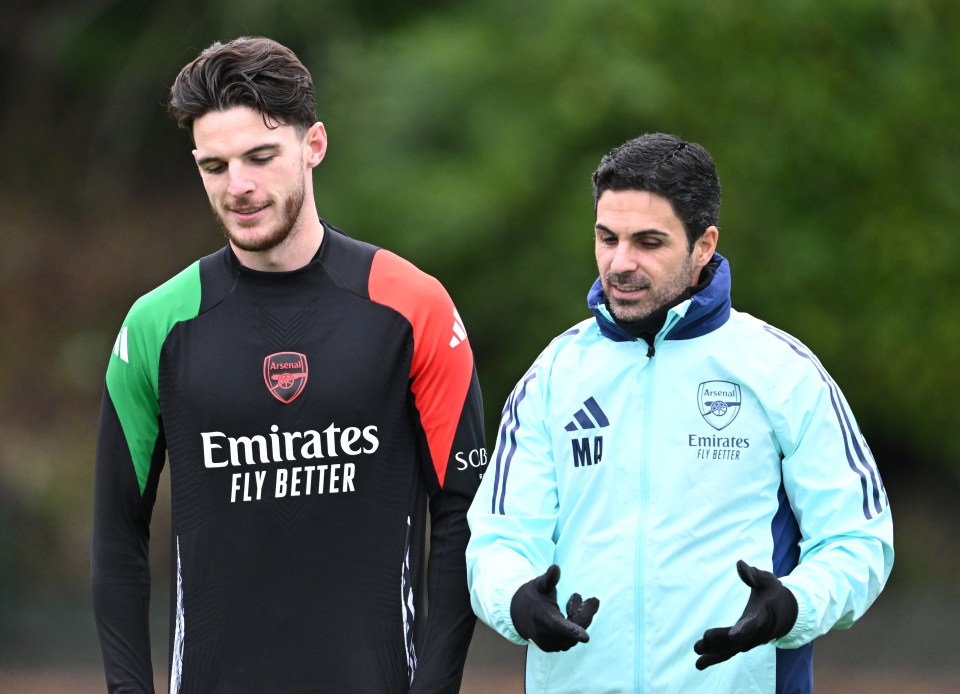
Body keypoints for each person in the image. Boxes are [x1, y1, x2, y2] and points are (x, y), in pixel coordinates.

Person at [92, 36, 486, 693]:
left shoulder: (412, 305)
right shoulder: (156, 325)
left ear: (314, 146)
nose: (238, 186)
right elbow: (116, 537)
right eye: (213, 166)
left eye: (260, 156)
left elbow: (463, 515)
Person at [465, 132, 894, 693]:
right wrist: (517, 601)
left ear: (704, 244)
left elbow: (860, 539)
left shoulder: (782, 371)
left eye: (648, 242)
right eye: (607, 237)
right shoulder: (554, 375)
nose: (620, 263)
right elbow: (498, 538)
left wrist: (793, 605)